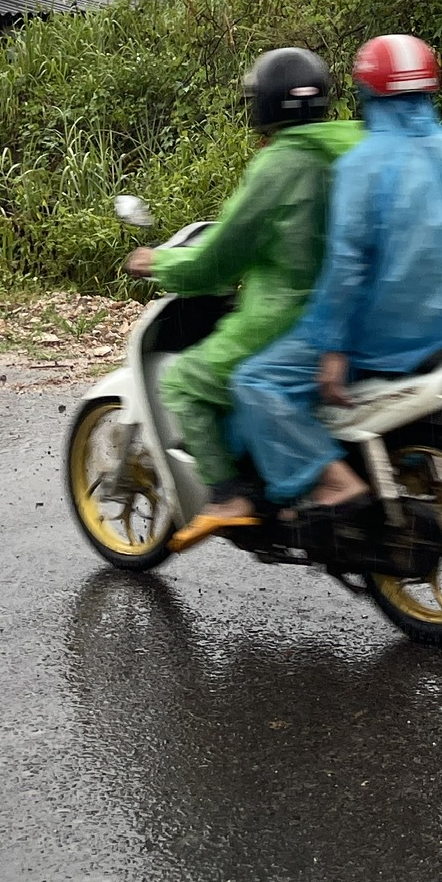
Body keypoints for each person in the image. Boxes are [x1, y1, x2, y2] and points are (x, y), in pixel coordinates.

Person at [231, 32, 442, 515]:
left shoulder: (364, 165)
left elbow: (347, 266)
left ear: (367, 90)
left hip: (376, 341)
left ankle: (330, 481)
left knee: (256, 382)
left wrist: (333, 349)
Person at [127, 47, 363, 552]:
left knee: (186, 383)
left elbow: (219, 256)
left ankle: (229, 495)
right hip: (351, 314)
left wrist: (160, 263)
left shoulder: (280, 163)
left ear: (264, 105)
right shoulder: (349, 146)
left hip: (285, 317)